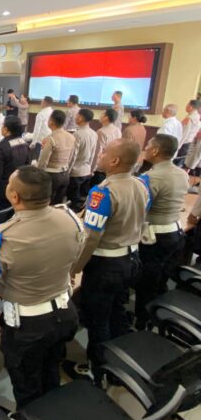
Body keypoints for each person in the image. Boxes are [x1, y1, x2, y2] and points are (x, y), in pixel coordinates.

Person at [0, 166, 84, 408]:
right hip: (65, 313)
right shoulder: (71, 218)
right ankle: (52, 414)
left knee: (26, 383)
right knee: (51, 367)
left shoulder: (3, 236)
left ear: (14, 196)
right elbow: (76, 253)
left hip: (28, 327)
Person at [73, 139, 150, 381]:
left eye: (104, 152)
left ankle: (98, 370)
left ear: (115, 161)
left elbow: (91, 237)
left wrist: (75, 267)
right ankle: (120, 363)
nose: (100, 155)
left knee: (98, 319)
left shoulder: (103, 192)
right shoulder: (141, 184)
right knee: (117, 312)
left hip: (105, 266)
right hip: (131, 259)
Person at [134, 135, 189, 329]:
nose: (146, 149)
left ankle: (142, 320)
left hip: (154, 237)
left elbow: (140, 209)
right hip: (175, 231)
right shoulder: (182, 173)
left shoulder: (150, 178)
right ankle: (158, 312)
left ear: (156, 151)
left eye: (148, 146)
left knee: (147, 280)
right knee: (160, 276)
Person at [0, 116, 29, 210]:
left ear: (6, 129)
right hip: (19, 188)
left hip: (4, 192)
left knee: (0, 215)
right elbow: (27, 166)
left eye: (2, 125)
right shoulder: (25, 143)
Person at [37, 109, 75, 205]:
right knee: (58, 203)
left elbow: (43, 161)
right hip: (65, 174)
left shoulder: (51, 139)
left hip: (52, 175)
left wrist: (38, 174)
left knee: (47, 203)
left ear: (51, 122)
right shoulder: (71, 137)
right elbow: (72, 157)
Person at [67, 108, 98, 212]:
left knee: (73, 202)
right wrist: (91, 169)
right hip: (86, 170)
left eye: (77, 115)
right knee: (82, 200)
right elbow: (93, 153)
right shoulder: (94, 133)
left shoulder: (77, 134)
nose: (75, 117)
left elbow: (73, 156)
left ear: (80, 118)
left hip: (75, 172)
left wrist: (67, 171)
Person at [90, 109, 122, 185]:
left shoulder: (101, 131)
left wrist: (92, 169)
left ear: (106, 118)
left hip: (101, 167)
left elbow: (98, 152)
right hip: (112, 164)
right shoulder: (117, 130)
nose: (100, 116)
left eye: (102, 114)